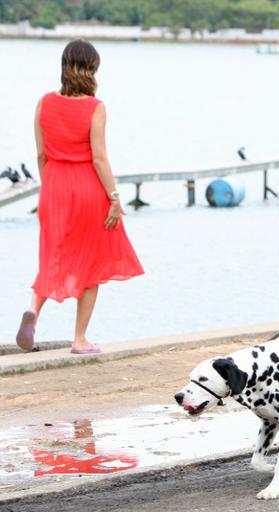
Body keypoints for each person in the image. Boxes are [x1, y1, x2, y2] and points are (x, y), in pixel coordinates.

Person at [16, 39, 143, 354]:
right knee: (93, 263)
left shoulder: (44, 102)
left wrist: (51, 190)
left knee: (52, 255)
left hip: (54, 187)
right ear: (92, 70)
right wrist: (114, 197)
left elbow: (41, 155)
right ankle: (80, 339)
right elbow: (99, 158)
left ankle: (34, 307)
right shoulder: (94, 107)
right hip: (87, 188)